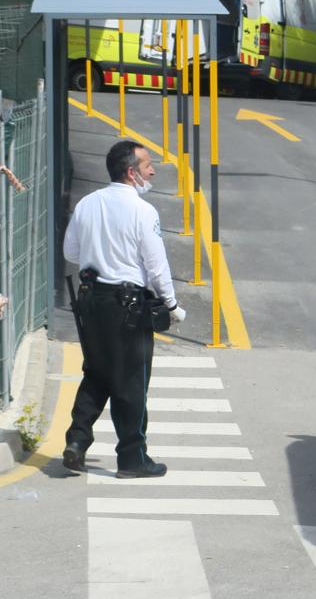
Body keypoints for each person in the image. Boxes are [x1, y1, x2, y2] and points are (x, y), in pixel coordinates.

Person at [61, 141, 185, 478]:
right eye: (148, 165)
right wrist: (172, 305)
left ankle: (76, 442)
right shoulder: (143, 211)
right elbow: (156, 266)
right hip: (128, 306)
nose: (153, 171)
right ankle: (132, 459)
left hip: (91, 302)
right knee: (131, 381)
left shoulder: (88, 203)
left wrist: (100, 253)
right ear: (131, 172)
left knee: (98, 372)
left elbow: (71, 252)